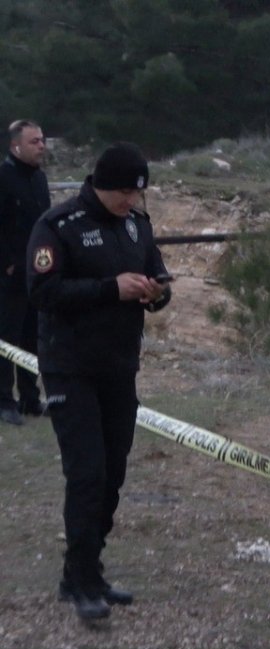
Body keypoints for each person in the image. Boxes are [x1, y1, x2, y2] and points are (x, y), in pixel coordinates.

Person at [26, 143, 170, 620]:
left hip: (119, 367)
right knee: (86, 474)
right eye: (124, 192)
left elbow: (157, 275)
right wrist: (112, 289)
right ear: (102, 185)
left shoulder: (137, 225)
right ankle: (83, 581)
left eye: (137, 193)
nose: (131, 201)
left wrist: (155, 292)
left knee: (112, 474)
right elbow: (43, 291)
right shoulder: (59, 225)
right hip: (70, 367)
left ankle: (85, 569)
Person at [0, 120, 51, 425]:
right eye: (34, 141)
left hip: (37, 273)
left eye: (42, 140)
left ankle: (30, 398)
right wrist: (7, 263)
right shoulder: (3, 178)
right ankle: (4, 400)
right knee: (7, 338)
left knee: (33, 336)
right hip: (8, 276)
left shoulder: (39, 179)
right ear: (15, 146)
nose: (41, 146)